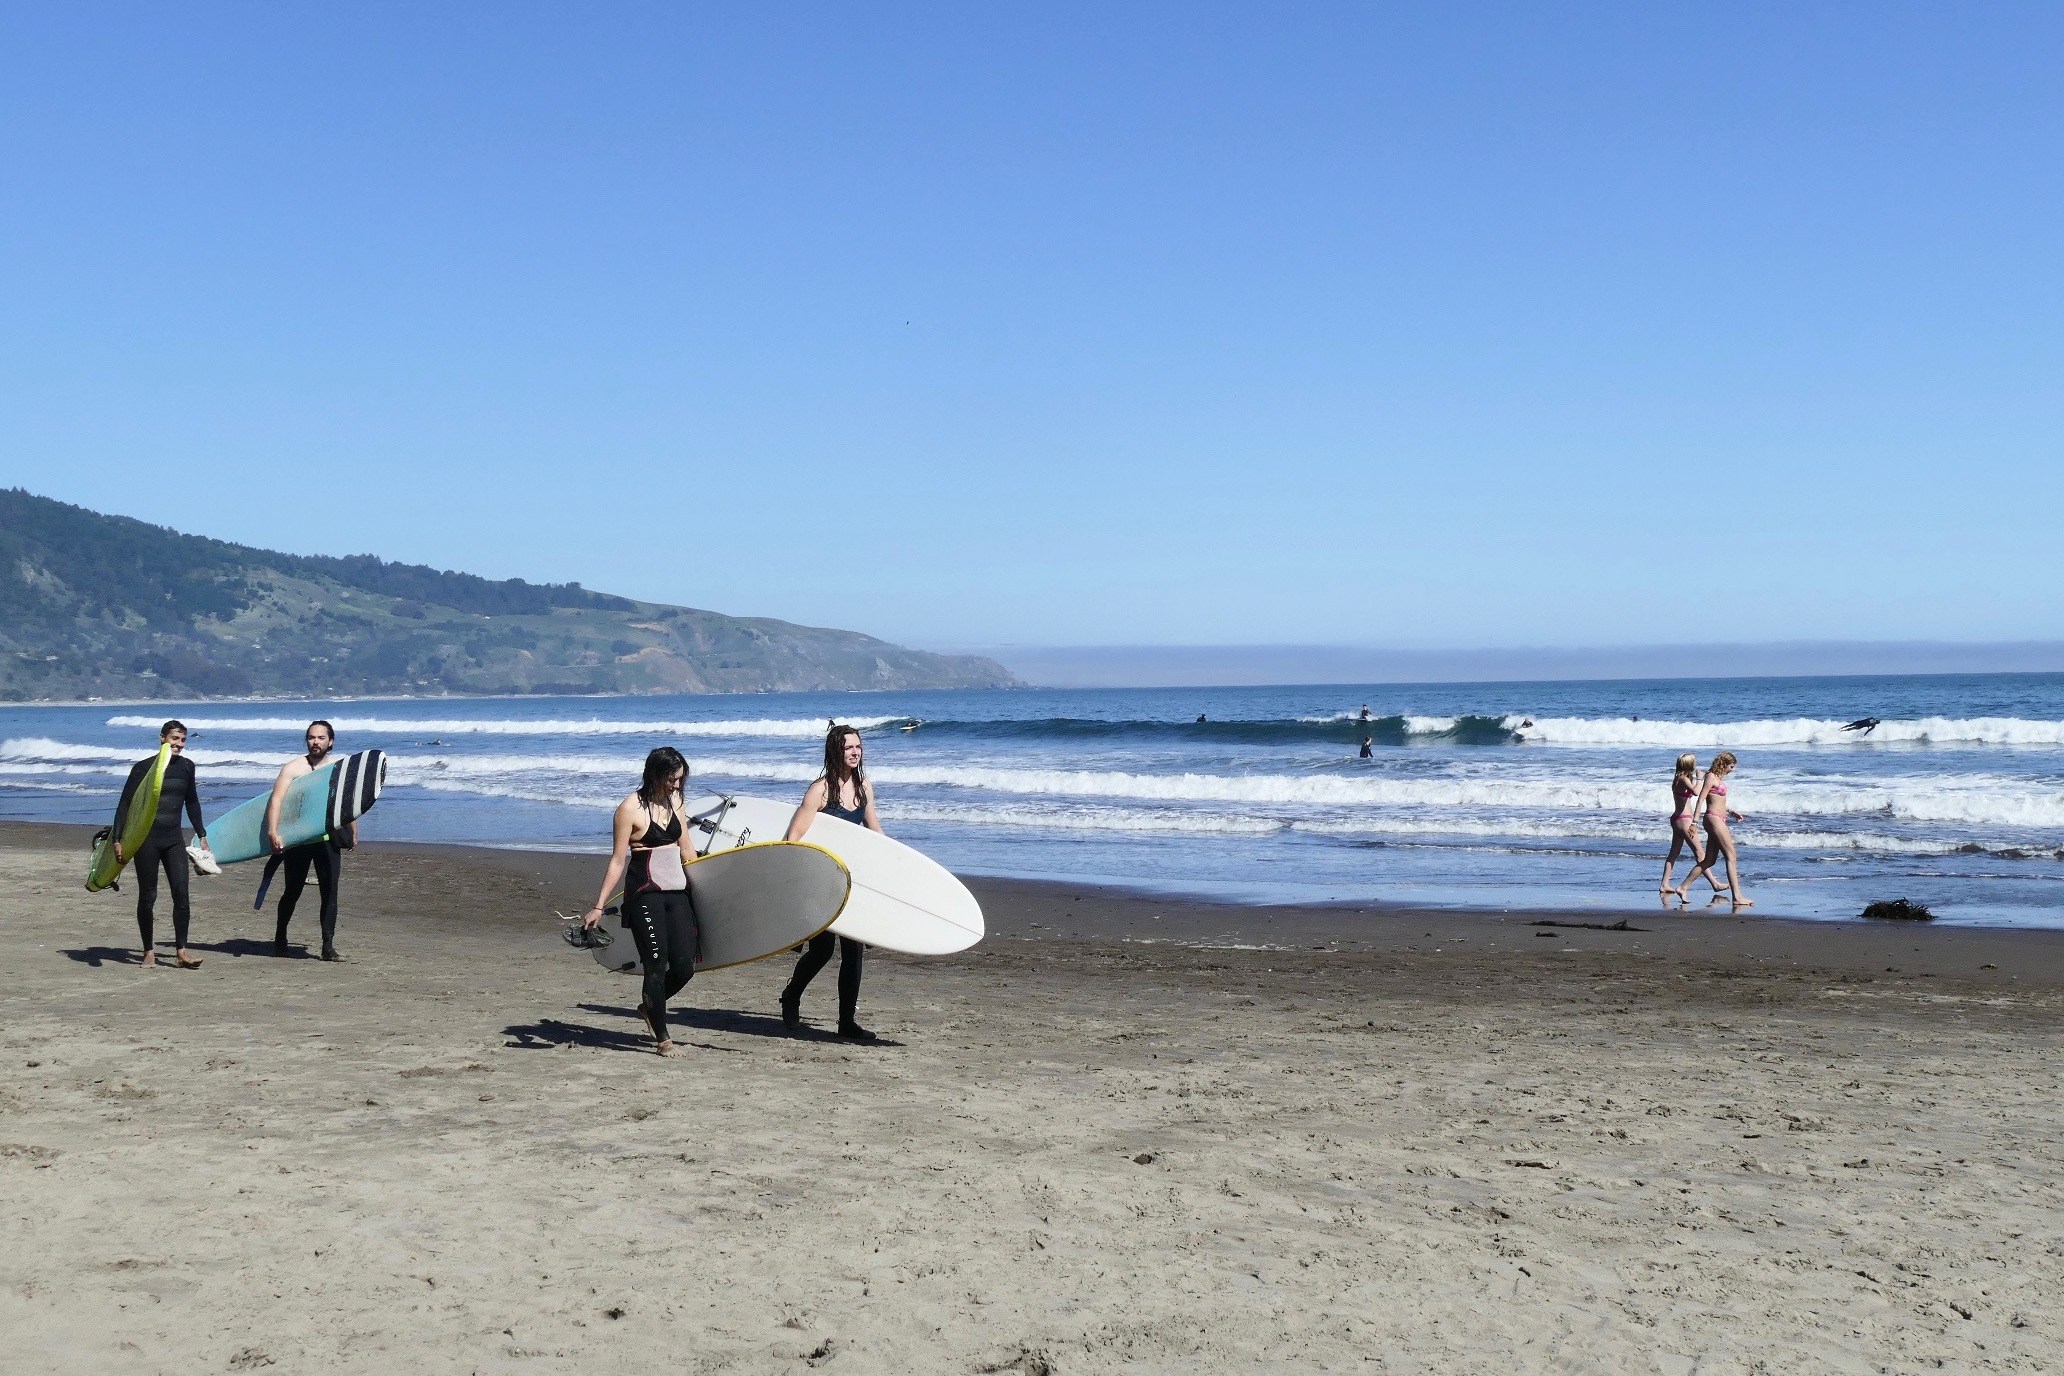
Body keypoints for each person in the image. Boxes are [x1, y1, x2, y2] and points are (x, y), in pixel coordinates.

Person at [580, 748, 697, 1057]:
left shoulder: (676, 802)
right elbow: (618, 861)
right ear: (655, 775)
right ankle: (663, 1038)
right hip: (644, 893)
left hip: (677, 892)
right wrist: (599, 905)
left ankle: (650, 1006)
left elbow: (687, 848)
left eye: (680, 780)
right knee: (656, 965)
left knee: (685, 966)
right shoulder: (628, 809)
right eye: (671, 779)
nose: (676, 785)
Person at [779, 724, 882, 1041]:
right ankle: (792, 996)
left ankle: (846, 1021)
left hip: (853, 880)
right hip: (822, 880)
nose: (855, 752)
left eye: (859, 747)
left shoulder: (864, 786)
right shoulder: (820, 791)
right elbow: (793, 837)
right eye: (849, 747)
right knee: (822, 951)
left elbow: (875, 831)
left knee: (854, 952)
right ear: (836, 751)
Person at [113, 720, 211, 969]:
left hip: (173, 840)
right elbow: (125, 803)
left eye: (183, 740)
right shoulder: (143, 768)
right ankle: (148, 951)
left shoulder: (187, 767)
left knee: (182, 893)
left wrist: (201, 833)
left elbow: (192, 802)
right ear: (162, 738)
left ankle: (181, 951)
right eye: (174, 739)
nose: (178, 744)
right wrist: (117, 839)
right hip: (146, 840)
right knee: (148, 896)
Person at [266, 720, 355, 961]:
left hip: (327, 838)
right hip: (299, 839)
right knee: (292, 891)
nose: (315, 742)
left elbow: (345, 804)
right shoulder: (293, 768)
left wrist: (353, 830)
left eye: (321, 738)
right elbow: (276, 800)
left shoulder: (338, 767)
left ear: (331, 741)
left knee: (330, 892)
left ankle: (328, 946)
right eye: (311, 737)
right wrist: (273, 832)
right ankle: (280, 935)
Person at [1677, 751, 1752, 909]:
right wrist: (1694, 822)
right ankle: (1737, 897)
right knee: (1731, 856)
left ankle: (1683, 888)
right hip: (1713, 819)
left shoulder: (1717, 779)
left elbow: (1718, 801)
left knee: (1709, 860)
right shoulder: (1711, 777)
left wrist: (1731, 811)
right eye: (1731, 766)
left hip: (1719, 818)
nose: (1732, 770)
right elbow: (1701, 799)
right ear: (1724, 764)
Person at [1657, 753, 1724, 905]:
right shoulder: (1683, 779)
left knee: (1674, 853)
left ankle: (1664, 884)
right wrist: (1700, 778)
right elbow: (1695, 792)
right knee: (1700, 853)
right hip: (1685, 820)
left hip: (1677, 819)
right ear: (1689, 766)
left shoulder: (1678, 778)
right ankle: (1714, 883)